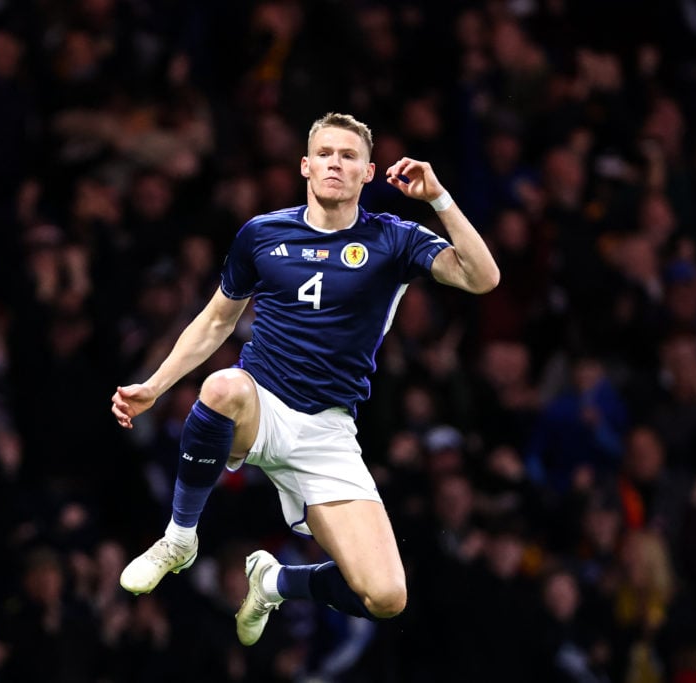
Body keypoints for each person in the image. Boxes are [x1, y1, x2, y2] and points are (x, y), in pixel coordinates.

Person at [111, 112, 500, 646]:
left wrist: (438, 200)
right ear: (305, 165)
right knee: (221, 387)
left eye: (348, 156)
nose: (335, 163)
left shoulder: (394, 239)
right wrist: (153, 387)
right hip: (262, 405)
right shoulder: (262, 234)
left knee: (387, 597)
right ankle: (179, 538)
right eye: (325, 154)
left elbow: (483, 277)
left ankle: (274, 582)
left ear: (368, 173)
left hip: (327, 433)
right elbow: (216, 321)